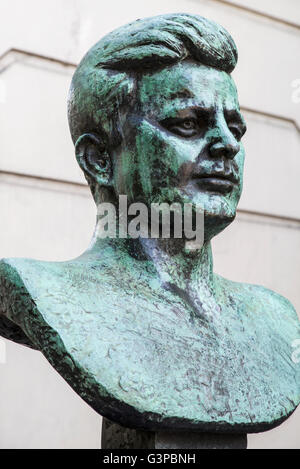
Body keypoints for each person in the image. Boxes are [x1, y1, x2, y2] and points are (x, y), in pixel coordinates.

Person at [0, 13, 299, 433]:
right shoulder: (39, 291)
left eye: (235, 128)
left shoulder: (276, 320)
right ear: (100, 158)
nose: (228, 145)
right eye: (188, 123)